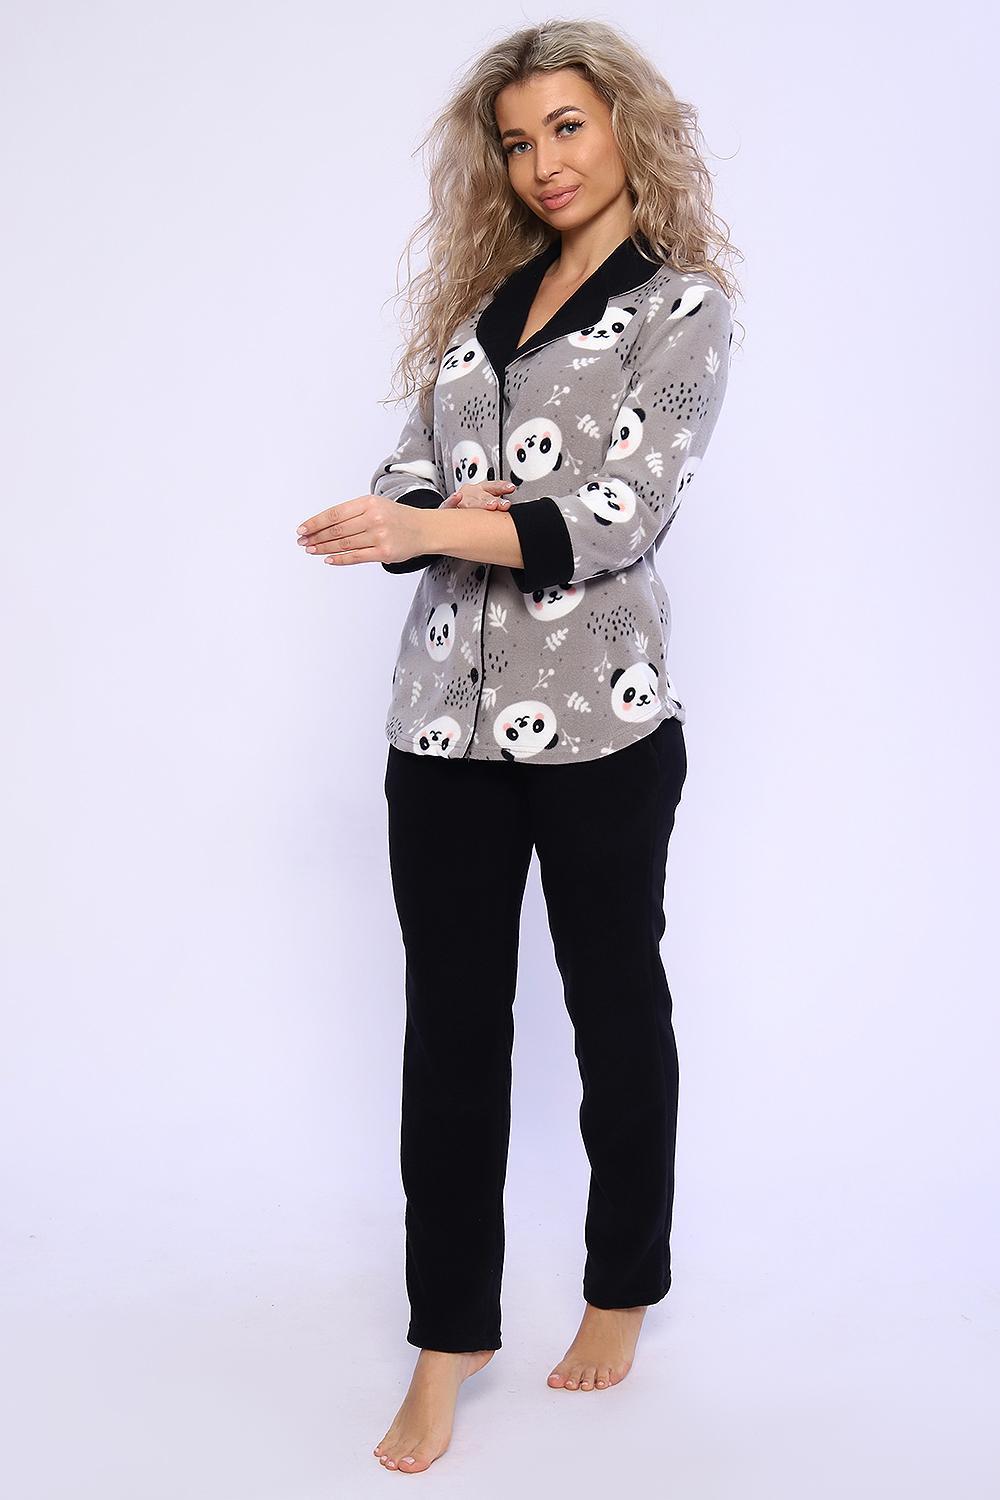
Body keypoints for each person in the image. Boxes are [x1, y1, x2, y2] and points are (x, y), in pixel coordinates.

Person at [295, 18, 740, 1475]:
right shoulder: (481, 310)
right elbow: (410, 476)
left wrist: (445, 521)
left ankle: (623, 1284)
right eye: (515, 141)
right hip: (439, 727)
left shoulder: (679, 309)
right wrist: (415, 515)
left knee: (615, 1012)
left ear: (623, 128)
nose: (542, 162)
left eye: (566, 127)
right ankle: (449, 1334)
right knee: (450, 1035)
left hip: (601, 726)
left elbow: (620, 513)